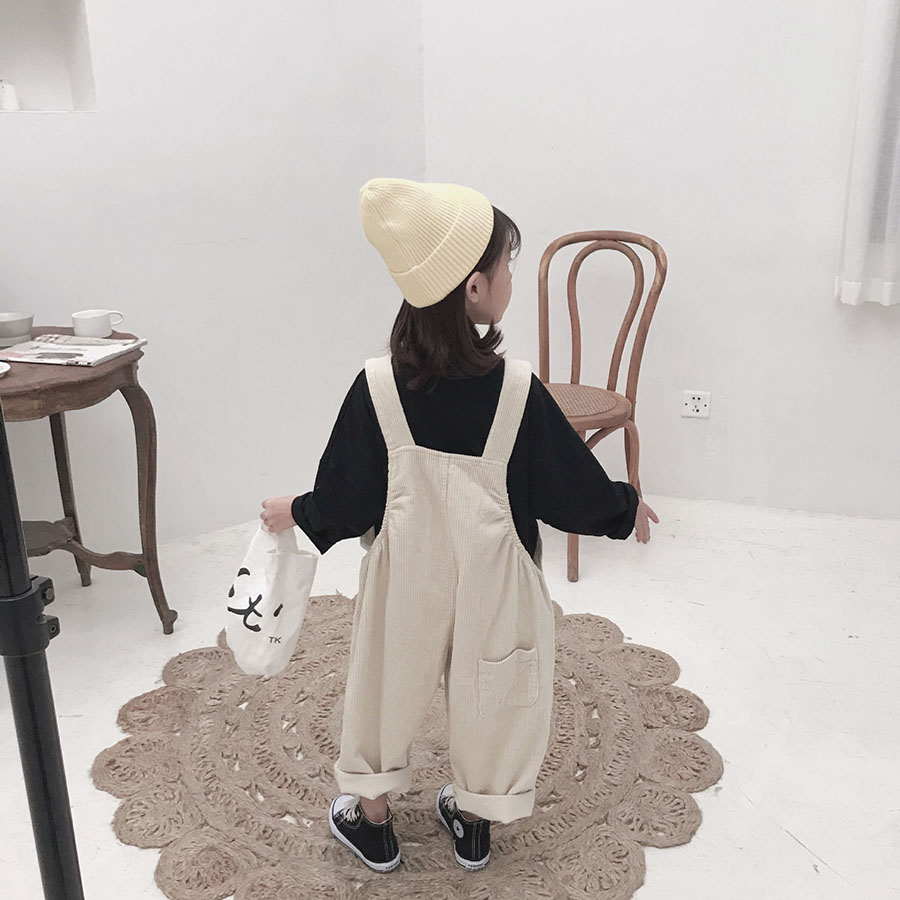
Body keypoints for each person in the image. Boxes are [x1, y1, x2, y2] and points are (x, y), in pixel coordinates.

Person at [261, 177, 659, 873]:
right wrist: (623, 506)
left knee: (384, 681)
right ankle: (474, 820)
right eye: (508, 264)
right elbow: (568, 488)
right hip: (497, 579)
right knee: (495, 692)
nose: (510, 277)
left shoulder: (376, 386)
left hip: (405, 575)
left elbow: (347, 497)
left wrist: (295, 511)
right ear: (474, 288)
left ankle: (373, 820)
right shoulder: (518, 390)